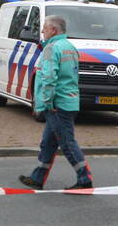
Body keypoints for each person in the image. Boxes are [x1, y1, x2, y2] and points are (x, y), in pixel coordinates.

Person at [19, 15, 93, 191]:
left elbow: (49, 77)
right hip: (69, 100)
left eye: (44, 28)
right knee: (48, 142)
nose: (42, 31)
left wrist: (47, 101)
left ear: (53, 30)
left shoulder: (51, 49)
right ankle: (37, 178)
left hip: (57, 104)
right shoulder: (70, 47)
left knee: (67, 143)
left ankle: (84, 178)